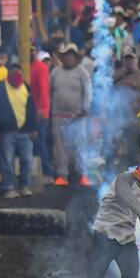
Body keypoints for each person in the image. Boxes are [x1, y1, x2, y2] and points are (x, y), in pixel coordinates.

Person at [0, 64, 37, 199]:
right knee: (7, 161)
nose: (16, 74)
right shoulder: (0, 89)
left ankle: (25, 186)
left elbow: (31, 109)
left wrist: (33, 128)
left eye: (18, 71)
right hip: (6, 131)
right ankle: (8, 187)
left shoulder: (26, 88)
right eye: (13, 71)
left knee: (27, 160)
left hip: (25, 132)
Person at [50, 43, 92, 187]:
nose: (68, 57)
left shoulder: (82, 72)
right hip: (58, 116)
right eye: (65, 55)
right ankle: (62, 175)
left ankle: (83, 175)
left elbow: (88, 92)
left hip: (77, 117)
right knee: (60, 148)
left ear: (75, 57)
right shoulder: (55, 72)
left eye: (71, 55)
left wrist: (85, 109)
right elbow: (50, 92)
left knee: (80, 147)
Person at [114, 47, 140, 166]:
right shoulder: (116, 77)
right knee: (116, 152)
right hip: (118, 120)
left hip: (137, 120)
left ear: (137, 59)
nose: (129, 61)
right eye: (127, 59)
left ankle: (134, 177)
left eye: (132, 58)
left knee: (135, 151)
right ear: (123, 60)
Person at [30, 46, 53, 182]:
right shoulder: (27, 66)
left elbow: (44, 90)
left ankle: (47, 173)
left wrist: (42, 109)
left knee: (40, 142)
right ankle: (36, 173)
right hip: (28, 111)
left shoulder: (40, 66)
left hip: (38, 112)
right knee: (34, 143)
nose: (31, 52)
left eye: (33, 50)